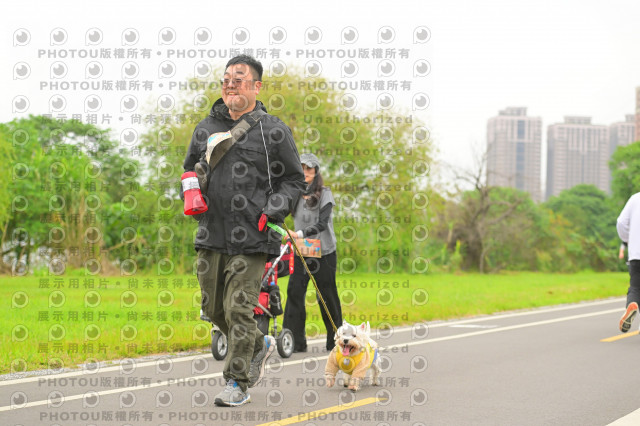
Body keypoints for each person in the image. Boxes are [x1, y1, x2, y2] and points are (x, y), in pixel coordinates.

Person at [182, 55, 305, 406]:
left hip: (253, 233)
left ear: (256, 86)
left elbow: (294, 180)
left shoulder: (273, 130)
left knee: (238, 310)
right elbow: (189, 169)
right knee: (213, 309)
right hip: (211, 232)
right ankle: (258, 343)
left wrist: (274, 208)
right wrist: (190, 191)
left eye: (238, 78)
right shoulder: (206, 127)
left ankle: (237, 383)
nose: (230, 84)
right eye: (226, 79)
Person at [283, 153, 343, 352]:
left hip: (324, 251)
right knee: (294, 292)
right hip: (303, 251)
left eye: (309, 168)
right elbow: (280, 210)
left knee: (326, 296)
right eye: (302, 168)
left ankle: (336, 341)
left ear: (316, 171)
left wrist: (299, 234)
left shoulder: (325, 193)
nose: (305, 172)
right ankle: (294, 342)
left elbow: (322, 224)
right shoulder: (295, 193)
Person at [617, 192, 640, 333]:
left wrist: (627, 239)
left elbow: (621, 222)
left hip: (636, 254)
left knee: (636, 287)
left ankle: (632, 303)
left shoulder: (635, 198)